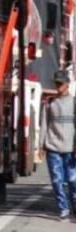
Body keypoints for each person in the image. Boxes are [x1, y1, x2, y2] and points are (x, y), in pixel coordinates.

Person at [40, 69, 76, 220]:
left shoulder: (74, 103)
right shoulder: (50, 104)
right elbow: (44, 125)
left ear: (67, 84)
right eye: (57, 83)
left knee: (73, 180)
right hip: (53, 147)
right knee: (57, 180)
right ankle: (64, 208)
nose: (58, 86)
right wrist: (42, 145)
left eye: (61, 83)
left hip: (71, 148)